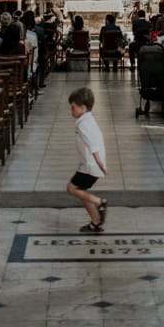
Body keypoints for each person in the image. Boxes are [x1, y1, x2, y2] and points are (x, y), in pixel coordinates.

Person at [66, 86, 109, 233]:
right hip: (89, 165)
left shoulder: (84, 124)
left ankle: (99, 202)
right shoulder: (87, 120)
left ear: (83, 108)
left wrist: (100, 163)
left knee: (71, 188)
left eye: (73, 108)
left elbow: (93, 144)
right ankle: (96, 223)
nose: (71, 111)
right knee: (82, 192)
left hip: (90, 167)